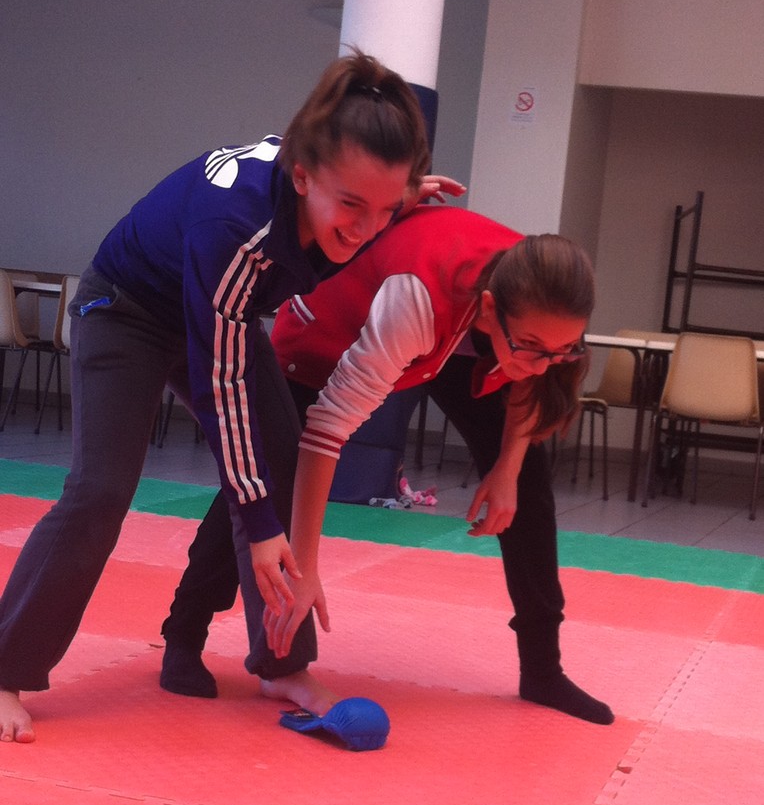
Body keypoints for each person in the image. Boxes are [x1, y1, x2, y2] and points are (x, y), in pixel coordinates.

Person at [0, 49, 460, 744]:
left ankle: (281, 662)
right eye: (351, 206)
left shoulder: (334, 187)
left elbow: (346, 208)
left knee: (281, 457)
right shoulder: (241, 232)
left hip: (219, 310)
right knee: (100, 490)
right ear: (302, 176)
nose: (365, 229)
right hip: (126, 310)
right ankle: (6, 666)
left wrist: (388, 200)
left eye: (385, 209)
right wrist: (262, 526)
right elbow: (222, 391)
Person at [160, 206, 614, 725]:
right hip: (334, 327)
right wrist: (306, 568)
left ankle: (543, 668)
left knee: (528, 485)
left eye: (561, 350)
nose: (544, 361)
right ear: (492, 309)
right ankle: (185, 632)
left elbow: (536, 367)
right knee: (264, 479)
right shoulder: (417, 302)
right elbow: (326, 431)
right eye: (532, 347)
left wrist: (508, 472)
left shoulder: (542, 295)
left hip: (464, 333)